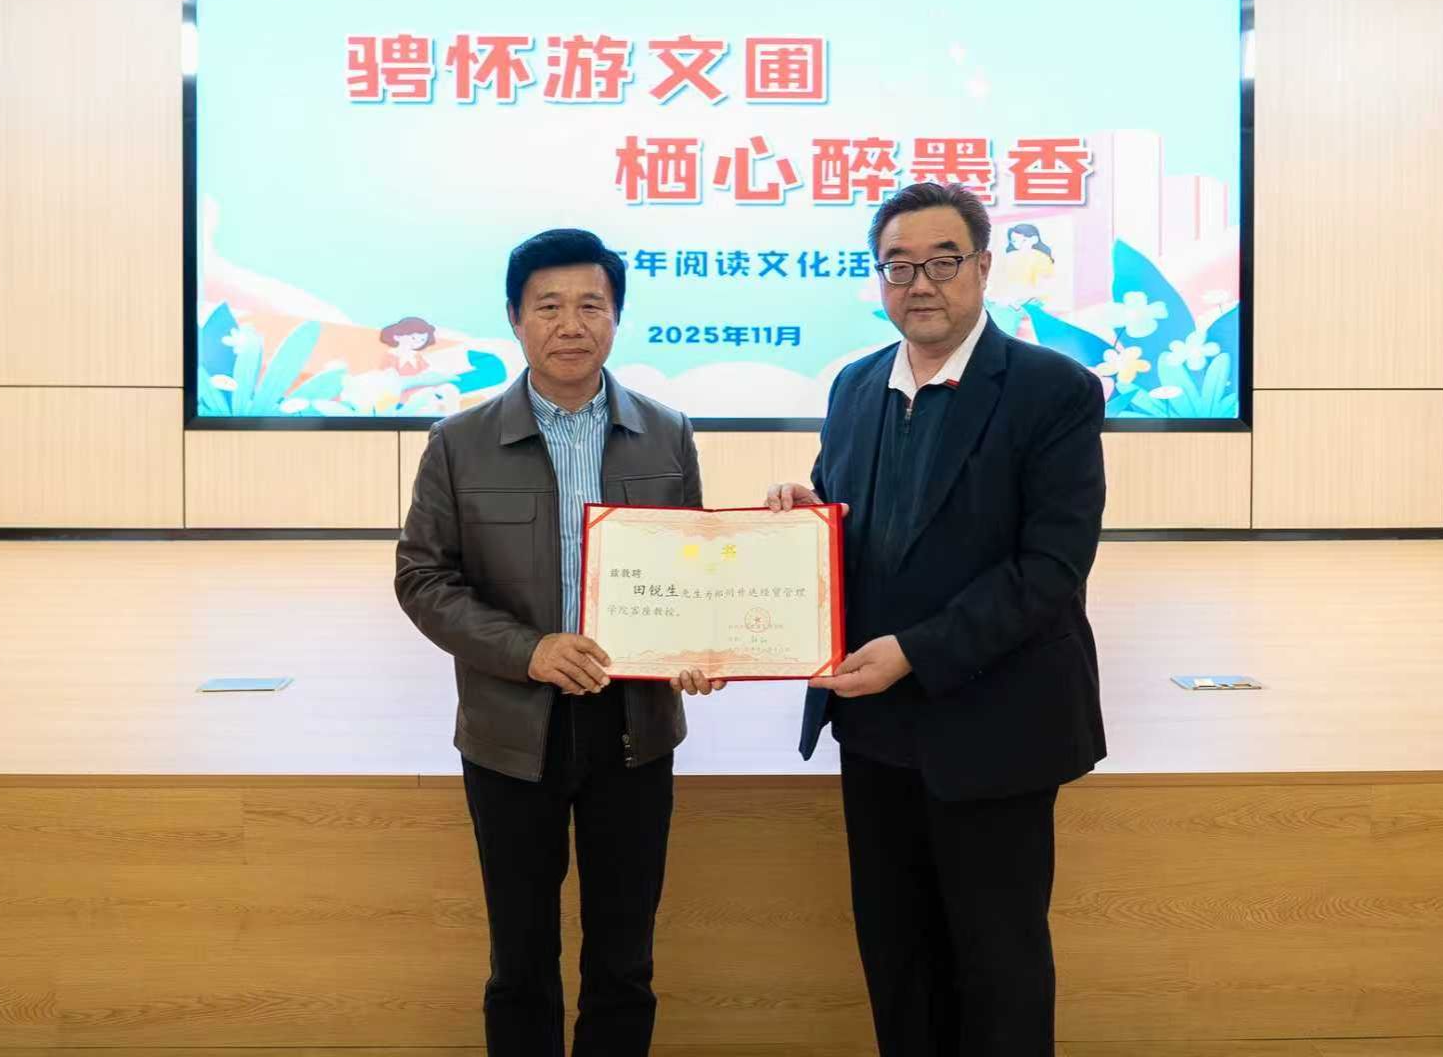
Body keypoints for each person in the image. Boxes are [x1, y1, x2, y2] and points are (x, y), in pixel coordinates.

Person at [766, 182, 1107, 1057]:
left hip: (996, 721)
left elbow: (1051, 568)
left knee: (998, 965)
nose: (919, 283)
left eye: (942, 262)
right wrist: (806, 523)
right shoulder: (854, 386)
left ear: (984, 267)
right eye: (898, 266)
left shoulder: (1052, 390)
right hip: (874, 724)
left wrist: (915, 652)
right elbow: (856, 519)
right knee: (898, 956)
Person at [396, 227, 724, 1057]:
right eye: (548, 306)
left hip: (635, 729)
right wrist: (529, 650)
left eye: (591, 305)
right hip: (512, 733)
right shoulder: (458, 443)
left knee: (625, 962)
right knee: (520, 963)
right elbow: (424, 580)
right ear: (515, 318)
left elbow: (693, 570)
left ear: (617, 317)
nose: (570, 325)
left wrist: (703, 643)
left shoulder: (667, 433)